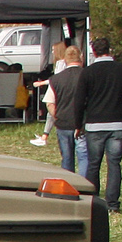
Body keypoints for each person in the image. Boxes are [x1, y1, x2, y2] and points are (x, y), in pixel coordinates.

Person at [76, 37, 122, 209]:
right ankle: (112, 203)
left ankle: (93, 202)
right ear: (109, 50)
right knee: (114, 164)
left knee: (93, 163)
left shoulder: (88, 72)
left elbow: (80, 100)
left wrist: (77, 124)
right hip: (117, 122)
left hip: (94, 123)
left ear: (94, 52)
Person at [48, 45, 85, 173]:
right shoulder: (87, 76)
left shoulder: (56, 79)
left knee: (67, 159)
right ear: (81, 58)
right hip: (83, 124)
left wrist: (57, 116)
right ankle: (84, 185)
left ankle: (68, 186)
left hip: (63, 124)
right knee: (84, 158)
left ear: (64, 60)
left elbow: (50, 103)